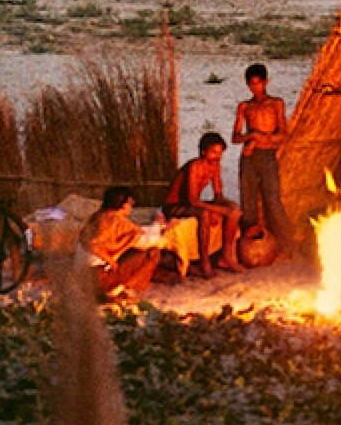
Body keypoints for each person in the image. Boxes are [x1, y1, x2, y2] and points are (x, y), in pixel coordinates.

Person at [232, 62, 294, 254]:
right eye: (251, 84)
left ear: (266, 82)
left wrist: (262, 138)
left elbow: (283, 135)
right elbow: (235, 138)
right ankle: (250, 248)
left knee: (273, 200)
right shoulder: (244, 106)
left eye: (258, 83)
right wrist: (251, 136)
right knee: (248, 201)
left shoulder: (276, 104)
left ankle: (288, 243)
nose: (255, 88)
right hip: (249, 157)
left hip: (267, 155)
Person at [164, 131, 242, 274]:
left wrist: (224, 207)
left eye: (220, 153)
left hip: (193, 204)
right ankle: (204, 261)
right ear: (203, 151)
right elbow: (192, 200)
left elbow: (218, 194)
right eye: (213, 152)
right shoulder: (193, 167)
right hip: (175, 206)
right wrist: (216, 210)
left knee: (234, 208)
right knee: (205, 213)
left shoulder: (215, 166)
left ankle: (227, 256)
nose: (217, 156)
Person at [80, 185, 162, 301]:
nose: (131, 208)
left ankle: (113, 288)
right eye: (130, 204)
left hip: (82, 277)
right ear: (124, 204)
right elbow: (148, 241)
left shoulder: (97, 216)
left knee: (131, 249)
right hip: (98, 277)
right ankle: (118, 289)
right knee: (153, 252)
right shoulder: (116, 220)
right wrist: (159, 226)